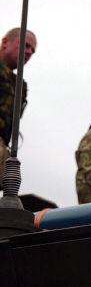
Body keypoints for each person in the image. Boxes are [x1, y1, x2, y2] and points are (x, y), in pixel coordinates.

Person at [0, 27, 37, 186]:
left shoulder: (19, 84)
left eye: (32, 50)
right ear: (5, 43)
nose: (29, 52)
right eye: (25, 45)